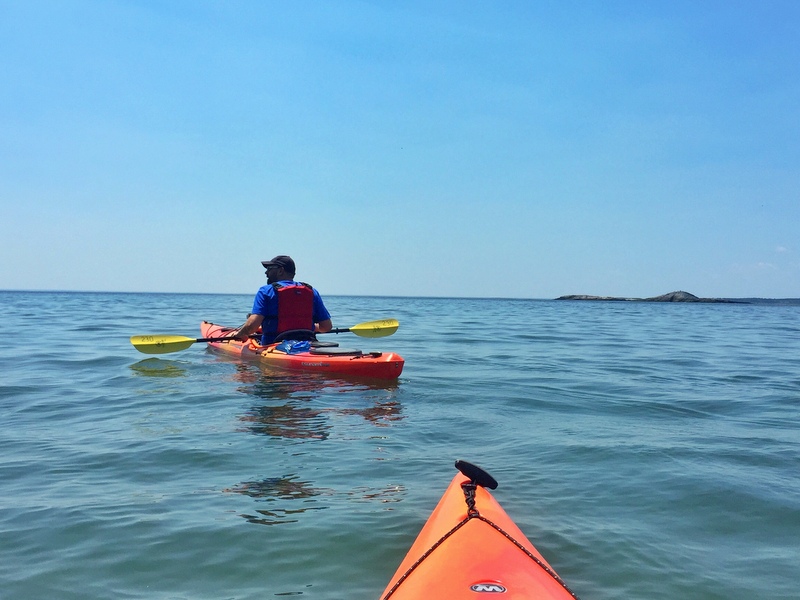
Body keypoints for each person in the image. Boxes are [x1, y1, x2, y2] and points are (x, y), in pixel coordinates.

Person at [233, 255, 333, 345]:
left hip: (274, 345)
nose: (266, 272)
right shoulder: (311, 291)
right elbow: (326, 327)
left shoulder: (266, 291)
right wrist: (306, 327)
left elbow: (252, 325)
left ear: (280, 270)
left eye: (269, 268)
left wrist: (240, 334)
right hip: (308, 344)